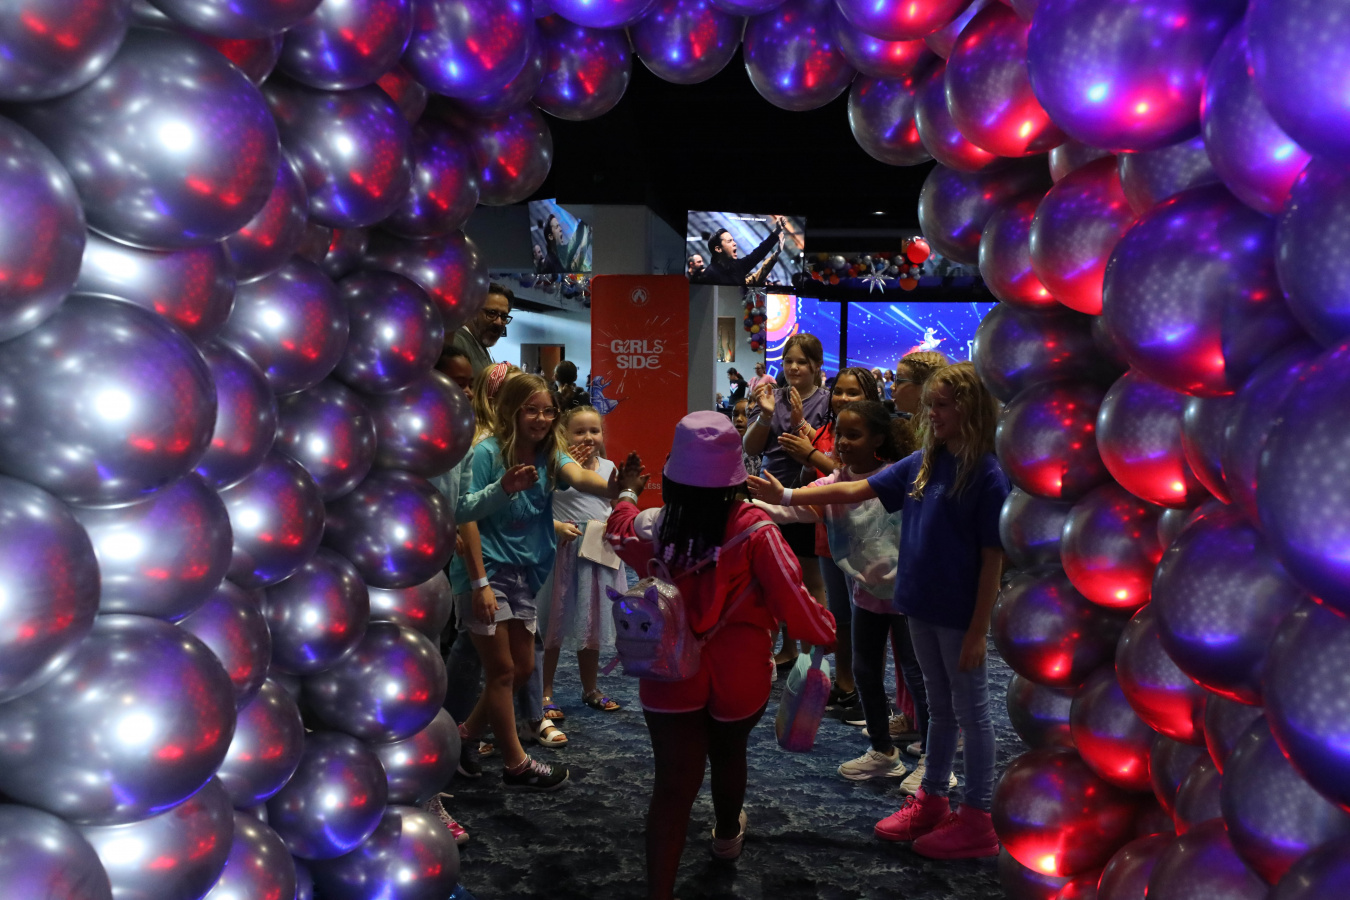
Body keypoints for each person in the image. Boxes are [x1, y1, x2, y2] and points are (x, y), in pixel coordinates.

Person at [749, 362, 1008, 859]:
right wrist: (786, 494)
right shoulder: (926, 461)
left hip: (958, 614)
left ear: (970, 409)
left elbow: (993, 559)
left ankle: (978, 818)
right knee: (940, 709)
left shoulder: (986, 474)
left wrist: (979, 630)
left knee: (971, 714)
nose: (932, 414)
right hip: (920, 605)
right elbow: (854, 489)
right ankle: (933, 799)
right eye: (930, 405)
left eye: (942, 406)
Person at [605, 412, 836, 900]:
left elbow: (618, 530)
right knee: (730, 752)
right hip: (740, 672)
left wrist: (625, 492)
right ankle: (727, 836)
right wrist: (825, 631)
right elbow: (796, 605)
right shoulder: (757, 530)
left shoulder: (655, 525)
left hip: (667, 670)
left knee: (672, 786)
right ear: (735, 477)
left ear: (672, 475)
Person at [751, 401, 927, 787]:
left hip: (907, 597)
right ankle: (883, 751)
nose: (843, 443)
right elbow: (789, 510)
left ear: (878, 439)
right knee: (865, 672)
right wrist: (749, 504)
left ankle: (934, 758)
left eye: (854, 435)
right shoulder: (829, 485)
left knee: (917, 675)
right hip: (866, 595)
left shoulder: (895, 477)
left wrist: (783, 497)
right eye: (840, 435)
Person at [456, 374, 618, 791]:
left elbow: (580, 478)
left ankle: (463, 736)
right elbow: (465, 514)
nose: (542, 419)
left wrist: (619, 487)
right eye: (532, 410)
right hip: (485, 571)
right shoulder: (486, 452)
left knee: (524, 667)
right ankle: (516, 763)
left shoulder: (549, 452)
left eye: (548, 411)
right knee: (502, 670)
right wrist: (479, 583)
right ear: (512, 410)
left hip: (523, 572)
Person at [774, 366, 881, 725]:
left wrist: (809, 456)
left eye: (853, 392)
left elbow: (850, 478)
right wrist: (806, 461)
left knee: (868, 620)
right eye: (839, 391)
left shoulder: (877, 437)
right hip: (828, 533)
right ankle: (846, 685)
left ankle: (869, 694)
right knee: (842, 617)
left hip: (865, 541)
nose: (843, 398)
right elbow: (820, 477)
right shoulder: (824, 430)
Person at [742, 334, 831, 667]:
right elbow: (751, 448)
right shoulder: (771, 396)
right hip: (768, 493)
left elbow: (830, 455)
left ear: (816, 366)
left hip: (809, 496)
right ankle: (786, 649)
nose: (793, 367)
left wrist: (801, 430)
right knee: (770, 576)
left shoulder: (827, 401)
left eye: (801, 362)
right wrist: (766, 415)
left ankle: (814, 655)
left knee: (809, 578)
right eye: (788, 361)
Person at [539, 406, 626, 719]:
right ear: (564, 435)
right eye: (579, 432)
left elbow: (617, 506)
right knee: (552, 622)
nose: (588, 437)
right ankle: (544, 691)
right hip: (562, 552)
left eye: (594, 431)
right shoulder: (556, 467)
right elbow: (539, 504)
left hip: (597, 555)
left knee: (592, 621)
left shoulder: (609, 467)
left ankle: (590, 688)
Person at [696, 218, 786, 286]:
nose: (734, 243)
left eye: (733, 240)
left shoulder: (737, 266)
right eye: (729, 241)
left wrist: (777, 230)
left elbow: (758, 253)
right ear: (718, 249)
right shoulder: (709, 275)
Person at [453, 284, 514, 377]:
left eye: (504, 316)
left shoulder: (480, 345)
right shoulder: (456, 344)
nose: (498, 322)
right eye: (491, 313)